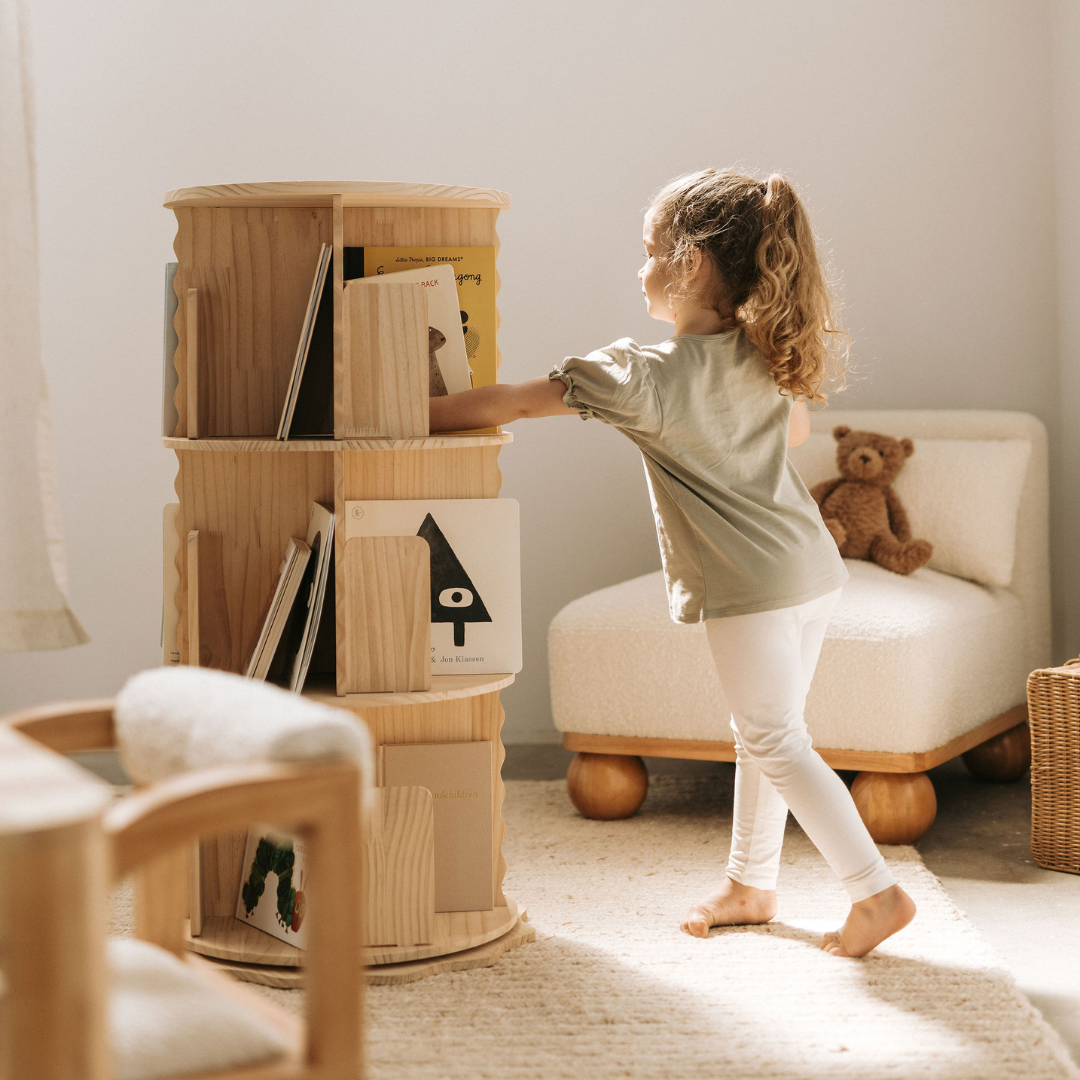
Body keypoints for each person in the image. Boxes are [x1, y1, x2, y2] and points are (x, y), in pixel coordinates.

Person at [429, 168, 915, 958]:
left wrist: (405, 414)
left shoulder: (643, 377)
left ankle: (875, 893)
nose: (641, 268)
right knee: (767, 732)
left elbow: (514, 401)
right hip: (813, 569)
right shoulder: (767, 354)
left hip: (753, 583)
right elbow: (792, 437)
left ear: (689, 265)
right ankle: (751, 883)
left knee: (772, 738)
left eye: (650, 251)